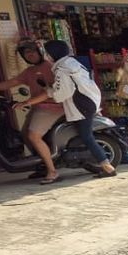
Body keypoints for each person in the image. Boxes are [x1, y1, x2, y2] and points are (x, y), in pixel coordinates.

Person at [24, 40, 115, 184]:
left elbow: (62, 93)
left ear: (53, 53)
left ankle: (108, 167)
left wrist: (49, 92)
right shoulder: (71, 63)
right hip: (89, 101)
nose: (46, 55)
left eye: (47, 52)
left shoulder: (62, 69)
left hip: (81, 104)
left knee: (86, 136)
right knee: (85, 135)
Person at [0, 38, 63, 180]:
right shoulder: (29, 71)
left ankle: (52, 171)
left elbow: (53, 91)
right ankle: (42, 165)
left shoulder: (51, 67)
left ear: (40, 52)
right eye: (26, 53)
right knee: (24, 134)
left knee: (33, 136)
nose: (30, 55)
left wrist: (27, 102)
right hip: (38, 107)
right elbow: (12, 82)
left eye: (32, 51)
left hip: (53, 107)